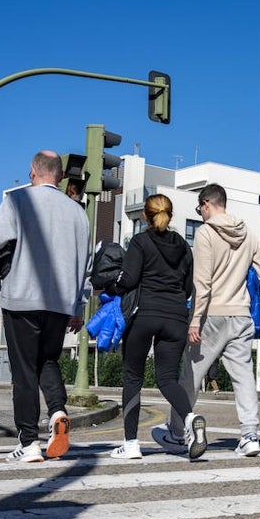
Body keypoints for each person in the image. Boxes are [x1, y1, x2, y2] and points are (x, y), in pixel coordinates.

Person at [0, 151, 91, 464]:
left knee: (24, 372)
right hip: (59, 304)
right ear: (59, 175)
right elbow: (86, 266)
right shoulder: (78, 213)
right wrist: (78, 306)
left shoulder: (19, 201)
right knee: (47, 361)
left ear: (33, 171)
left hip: (22, 297)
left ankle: (29, 442)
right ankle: (58, 411)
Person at [158, 183, 260, 457]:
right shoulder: (249, 233)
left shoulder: (206, 233)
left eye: (199, 208)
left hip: (211, 315)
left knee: (190, 376)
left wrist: (194, 321)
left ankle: (177, 432)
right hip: (241, 314)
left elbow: (201, 282)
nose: (200, 213)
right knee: (243, 377)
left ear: (206, 204)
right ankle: (250, 435)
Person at [110, 194, 204, 460]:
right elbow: (188, 289)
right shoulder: (185, 248)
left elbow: (128, 280)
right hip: (176, 319)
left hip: (144, 316)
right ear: (170, 215)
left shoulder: (140, 242)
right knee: (166, 379)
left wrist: (112, 286)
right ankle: (190, 418)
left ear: (145, 216)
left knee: (133, 378)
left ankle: (130, 444)